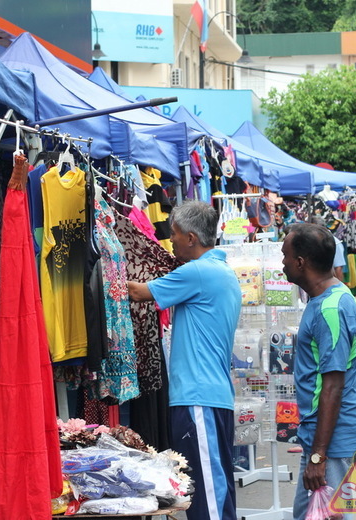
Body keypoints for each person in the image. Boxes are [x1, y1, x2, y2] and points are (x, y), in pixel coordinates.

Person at [127, 201, 241, 520]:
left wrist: (105, 277)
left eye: (174, 234)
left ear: (191, 238)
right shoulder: (221, 272)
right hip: (207, 397)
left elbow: (137, 293)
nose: (171, 240)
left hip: (198, 398)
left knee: (207, 495)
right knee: (214, 487)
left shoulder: (198, 272)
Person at [281, 223, 356, 520]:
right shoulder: (329, 296)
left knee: (331, 515)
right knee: (307, 514)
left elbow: (333, 385)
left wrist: (318, 456)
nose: (282, 262)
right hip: (321, 435)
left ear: (301, 263)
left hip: (333, 438)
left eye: (285, 255)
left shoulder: (330, 309)